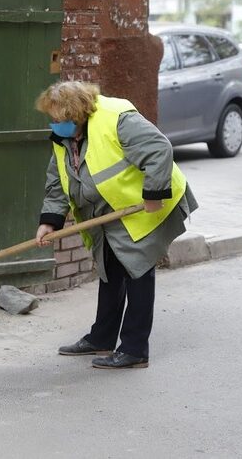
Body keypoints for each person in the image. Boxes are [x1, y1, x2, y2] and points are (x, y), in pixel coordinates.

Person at [34, 81, 198, 369]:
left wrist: (154, 194)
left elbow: (159, 149)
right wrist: (50, 221)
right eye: (52, 118)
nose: (55, 124)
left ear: (77, 113)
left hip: (146, 204)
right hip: (109, 210)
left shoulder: (117, 119)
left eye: (60, 119)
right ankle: (102, 337)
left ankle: (135, 349)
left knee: (138, 271)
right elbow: (58, 180)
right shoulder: (64, 138)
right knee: (110, 270)